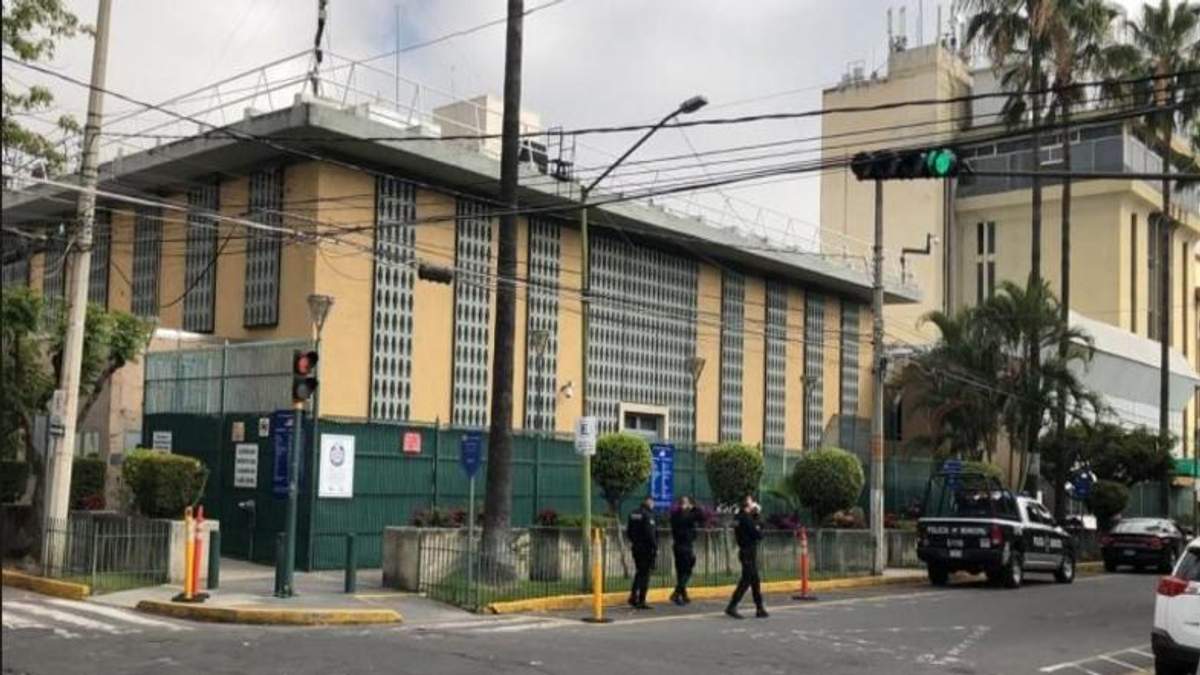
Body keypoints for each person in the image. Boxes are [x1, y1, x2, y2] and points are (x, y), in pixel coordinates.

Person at [726, 495, 768, 619]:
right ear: (747, 505)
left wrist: (755, 516)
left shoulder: (740, 517)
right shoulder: (746, 519)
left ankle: (759, 608)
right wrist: (757, 516)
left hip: (746, 551)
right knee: (746, 580)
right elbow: (758, 534)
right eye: (751, 502)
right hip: (748, 552)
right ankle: (732, 606)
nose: (754, 504)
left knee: (755, 580)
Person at [669, 495, 703, 605]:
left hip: (677, 545)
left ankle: (683, 595)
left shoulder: (674, 515)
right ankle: (676, 593)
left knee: (680, 572)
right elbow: (701, 516)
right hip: (686, 546)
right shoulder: (688, 516)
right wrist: (694, 507)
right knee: (687, 570)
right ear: (686, 504)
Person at [626, 495, 658, 610]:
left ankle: (633, 596)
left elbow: (629, 531)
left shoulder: (633, 513)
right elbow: (650, 533)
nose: (653, 505)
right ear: (649, 502)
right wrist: (655, 547)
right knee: (645, 574)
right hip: (646, 549)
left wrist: (635, 541)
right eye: (653, 502)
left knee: (639, 572)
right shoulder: (648, 515)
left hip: (636, 547)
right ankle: (641, 600)